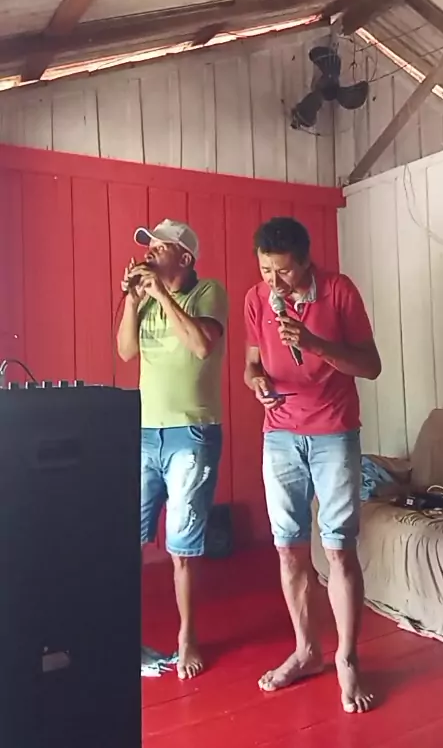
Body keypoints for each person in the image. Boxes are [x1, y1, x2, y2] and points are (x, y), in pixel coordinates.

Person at [244, 217, 381, 713]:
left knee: (338, 549)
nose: (273, 282)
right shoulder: (256, 298)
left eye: (283, 272)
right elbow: (251, 363)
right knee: (288, 549)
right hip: (279, 434)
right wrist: (256, 382)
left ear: (306, 262)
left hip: (333, 433)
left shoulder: (340, 292)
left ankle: (347, 657)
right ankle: (306, 651)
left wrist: (314, 343)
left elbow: (371, 366)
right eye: (265, 270)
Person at [117, 219, 228, 680]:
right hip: (146, 432)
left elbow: (202, 346)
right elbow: (125, 351)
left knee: (182, 547)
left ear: (184, 258)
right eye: (148, 246)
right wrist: (132, 298)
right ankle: (124, 636)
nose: (150, 253)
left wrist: (161, 294)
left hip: (192, 433)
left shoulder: (208, 292)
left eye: (160, 247)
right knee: (126, 537)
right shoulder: (145, 299)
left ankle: (187, 637)